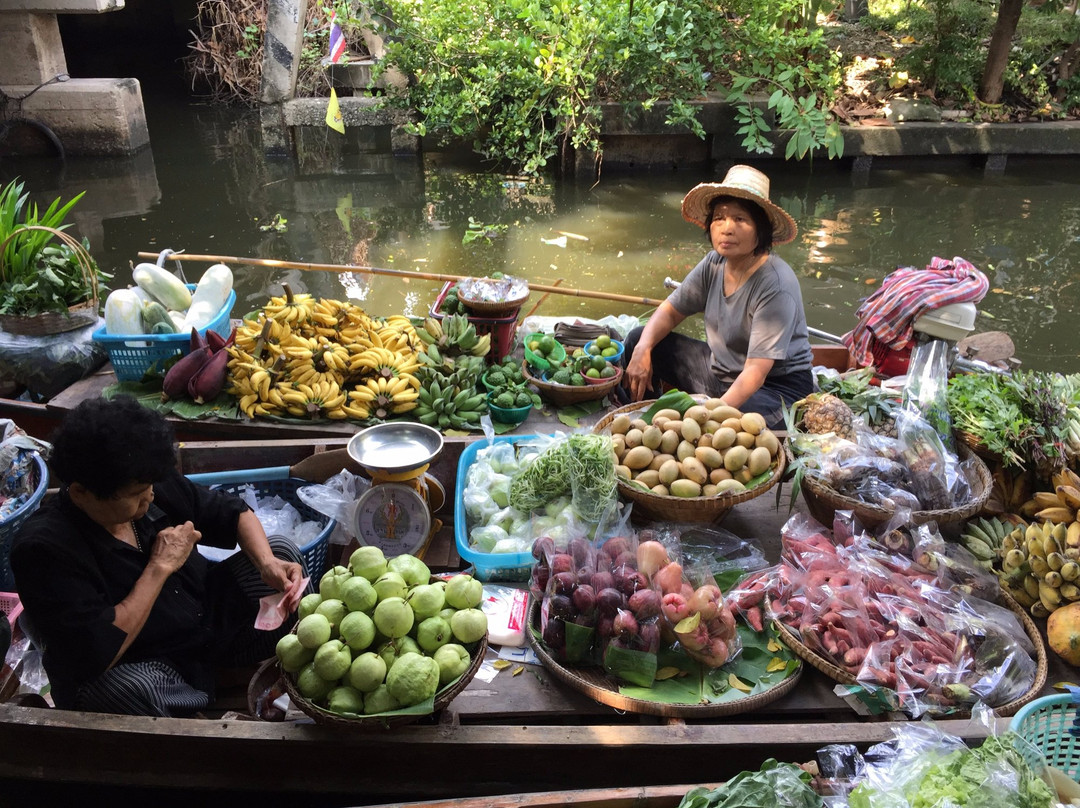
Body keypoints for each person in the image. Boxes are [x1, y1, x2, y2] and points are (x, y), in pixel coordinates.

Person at [10, 396, 309, 716]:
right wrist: (158, 567)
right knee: (129, 691)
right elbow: (98, 651)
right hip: (141, 660)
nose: (149, 497)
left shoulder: (144, 477)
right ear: (82, 492)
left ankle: (216, 678)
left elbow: (234, 513)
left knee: (281, 553)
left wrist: (266, 563)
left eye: (149, 488)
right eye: (136, 496)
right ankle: (192, 707)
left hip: (201, 624)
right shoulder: (44, 550)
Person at [622, 164, 814, 429]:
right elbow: (671, 311)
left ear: (760, 230)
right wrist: (643, 349)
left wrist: (710, 417)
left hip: (775, 389)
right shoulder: (714, 263)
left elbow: (756, 372)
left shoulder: (775, 284)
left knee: (743, 422)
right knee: (638, 340)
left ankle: (686, 423)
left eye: (740, 219)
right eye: (719, 218)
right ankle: (650, 426)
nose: (727, 228)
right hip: (721, 372)